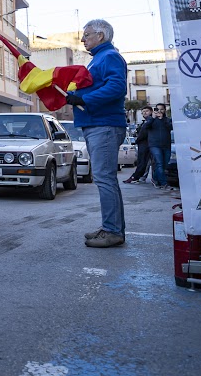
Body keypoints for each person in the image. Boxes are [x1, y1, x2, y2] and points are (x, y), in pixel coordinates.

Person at [64, 19, 128, 249]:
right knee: (105, 178)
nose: (83, 39)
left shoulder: (109, 56)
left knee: (104, 178)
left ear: (101, 36)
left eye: (87, 34)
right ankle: (111, 227)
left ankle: (112, 230)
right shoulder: (100, 58)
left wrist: (84, 98)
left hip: (104, 125)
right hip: (98, 124)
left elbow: (117, 87)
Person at [141, 103, 173, 190]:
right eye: (157, 109)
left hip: (166, 145)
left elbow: (171, 127)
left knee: (164, 165)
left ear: (164, 110)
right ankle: (164, 184)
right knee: (159, 163)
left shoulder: (167, 120)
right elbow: (145, 127)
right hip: (154, 145)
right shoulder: (150, 120)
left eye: (161, 109)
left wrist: (162, 119)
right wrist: (153, 118)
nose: (159, 111)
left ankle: (155, 178)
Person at [124, 107, 152, 184]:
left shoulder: (149, 121)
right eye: (143, 112)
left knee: (144, 162)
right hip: (143, 144)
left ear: (151, 111)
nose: (144, 113)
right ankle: (138, 177)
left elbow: (143, 133)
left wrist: (138, 140)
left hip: (146, 144)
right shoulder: (145, 122)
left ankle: (136, 177)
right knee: (143, 162)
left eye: (147, 111)